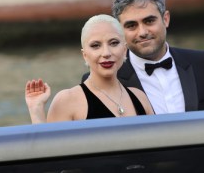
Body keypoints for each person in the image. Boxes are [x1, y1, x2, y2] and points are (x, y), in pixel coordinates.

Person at [25, 14, 154, 124]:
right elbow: (49, 150)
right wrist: (36, 110)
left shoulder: (140, 97)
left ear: (124, 49)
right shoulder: (67, 101)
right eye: (95, 45)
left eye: (114, 43)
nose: (106, 53)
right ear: (85, 55)